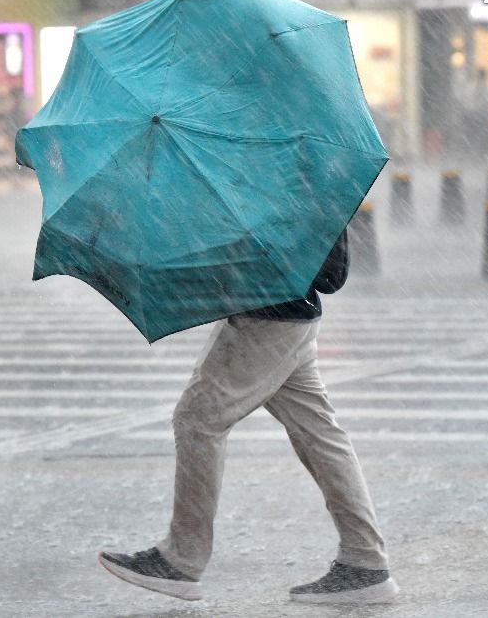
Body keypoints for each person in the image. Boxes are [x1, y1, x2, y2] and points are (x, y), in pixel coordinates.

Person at [98, 229, 398, 604]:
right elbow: (330, 275)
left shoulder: (286, 181)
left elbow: (327, 273)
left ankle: (182, 559)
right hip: (287, 316)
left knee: (197, 420)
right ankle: (365, 561)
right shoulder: (308, 179)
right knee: (320, 435)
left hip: (268, 319)